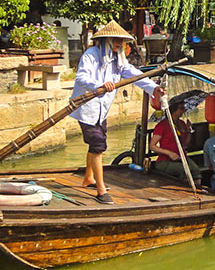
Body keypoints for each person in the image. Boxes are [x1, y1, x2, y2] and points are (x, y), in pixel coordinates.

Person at [71, 21, 165, 204]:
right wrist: (98, 86)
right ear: (106, 40)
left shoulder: (118, 59)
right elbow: (81, 77)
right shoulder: (91, 55)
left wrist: (153, 88)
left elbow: (133, 74)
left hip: (102, 110)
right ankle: (100, 190)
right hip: (87, 108)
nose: (119, 44)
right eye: (116, 40)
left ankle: (88, 178)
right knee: (98, 144)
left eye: (121, 41)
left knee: (95, 144)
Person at [149, 102, 202, 187]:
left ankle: (198, 189)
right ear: (174, 110)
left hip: (181, 157)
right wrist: (169, 153)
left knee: (195, 170)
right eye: (181, 108)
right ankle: (184, 191)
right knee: (183, 170)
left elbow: (185, 144)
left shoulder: (181, 123)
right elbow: (152, 146)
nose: (183, 111)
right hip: (164, 161)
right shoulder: (162, 125)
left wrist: (188, 131)